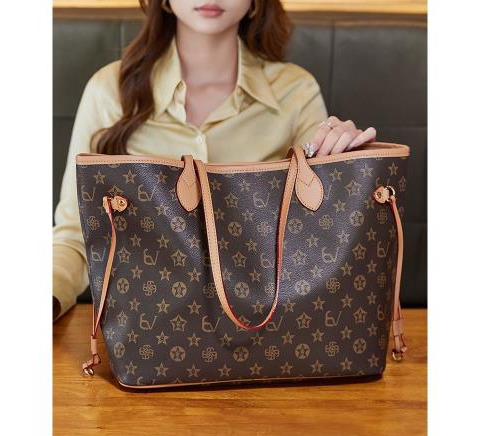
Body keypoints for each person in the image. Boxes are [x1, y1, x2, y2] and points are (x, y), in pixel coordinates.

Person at [53, 0, 376, 320]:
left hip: (268, 319)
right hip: (146, 322)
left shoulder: (295, 90)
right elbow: (76, 233)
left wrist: (343, 160)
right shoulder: (109, 89)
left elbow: (318, 231)